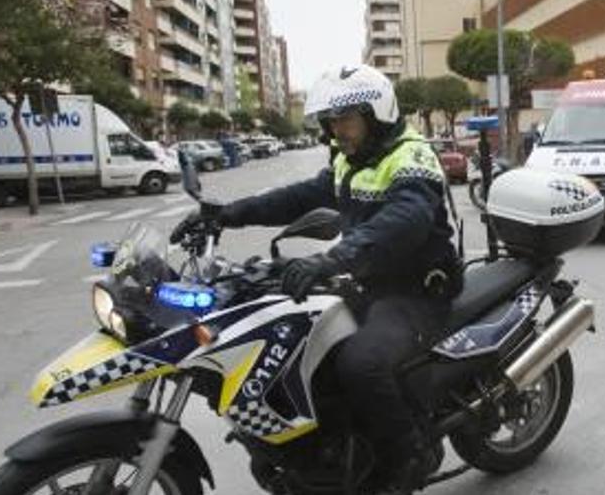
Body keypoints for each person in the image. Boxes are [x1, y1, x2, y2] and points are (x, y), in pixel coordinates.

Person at [173, 64, 461, 494]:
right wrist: (228, 214)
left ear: (375, 113)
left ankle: (408, 458)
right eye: (329, 122)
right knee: (298, 344)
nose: (334, 131)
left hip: (416, 288)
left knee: (361, 363)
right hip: (366, 280)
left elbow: (406, 219)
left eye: (343, 120)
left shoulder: (412, 157)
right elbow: (302, 196)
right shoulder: (352, 157)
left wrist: (331, 259)